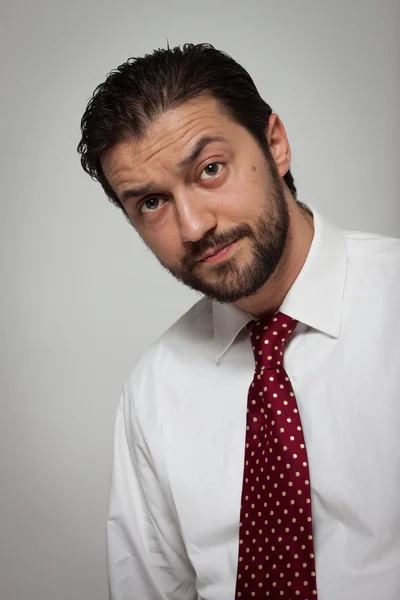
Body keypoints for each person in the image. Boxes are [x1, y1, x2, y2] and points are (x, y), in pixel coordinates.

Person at [78, 43, 400, 600]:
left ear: (275, 144)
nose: (195, 225)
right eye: (151, 203)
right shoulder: (154, 391)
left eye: (210, 169)